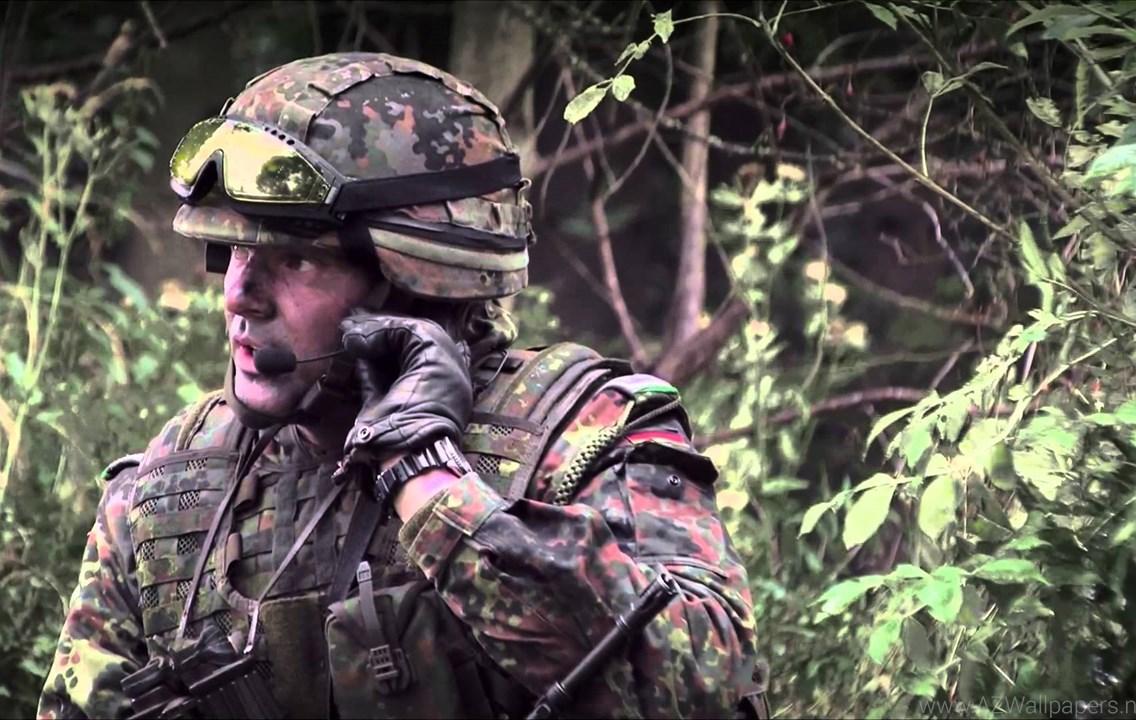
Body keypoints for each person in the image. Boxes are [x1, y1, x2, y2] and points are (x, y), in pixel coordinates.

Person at [37, 51, 769, 720]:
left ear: (415, 285)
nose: (239, 295)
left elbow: (703, 689)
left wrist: (428, 481)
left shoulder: (583, 438)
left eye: (294, 260)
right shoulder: (167, 490)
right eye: (229, 251)